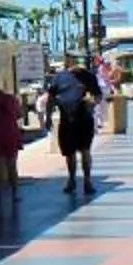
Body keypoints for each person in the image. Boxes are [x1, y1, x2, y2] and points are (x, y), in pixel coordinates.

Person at [49, 52, 100, 197]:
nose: (79, 65)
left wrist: (93, 102)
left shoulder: (89, 76)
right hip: (67, 121)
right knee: (69, 153)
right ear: (69, 61)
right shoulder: (59, 77)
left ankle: (87, 180)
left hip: (84, 120)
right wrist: (48, 118)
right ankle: (71, 179)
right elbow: (51, 97)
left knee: (85, 151)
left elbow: (98, 95)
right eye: (76, 61)